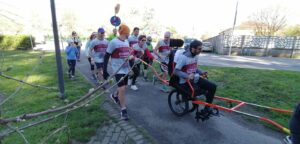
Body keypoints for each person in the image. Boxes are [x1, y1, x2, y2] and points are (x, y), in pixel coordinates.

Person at [174, 40, 217, 115]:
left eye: (201, 48)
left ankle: (207, 108)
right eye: (199, 49)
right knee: (200, 92)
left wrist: (201, 72)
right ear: (193, 49)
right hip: (185, 81)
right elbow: (176, 71)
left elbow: (194, 68)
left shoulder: (195, 56)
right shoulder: (183, 57)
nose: (201, 50)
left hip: (195, 79)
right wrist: (187, 76)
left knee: (212, 87)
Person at [103, 24, 131, 120]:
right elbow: (106, 56)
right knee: (122, 88)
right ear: (125, 32)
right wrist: (104, 70)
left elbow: (126, 55)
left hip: (126, 68)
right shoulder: (113, 42)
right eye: (128, 32)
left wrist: (131, 61)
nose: (129, 34)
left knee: (123, 87)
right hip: (117, 69)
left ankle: (115, 95)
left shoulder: (127, 42)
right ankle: (123, 110)